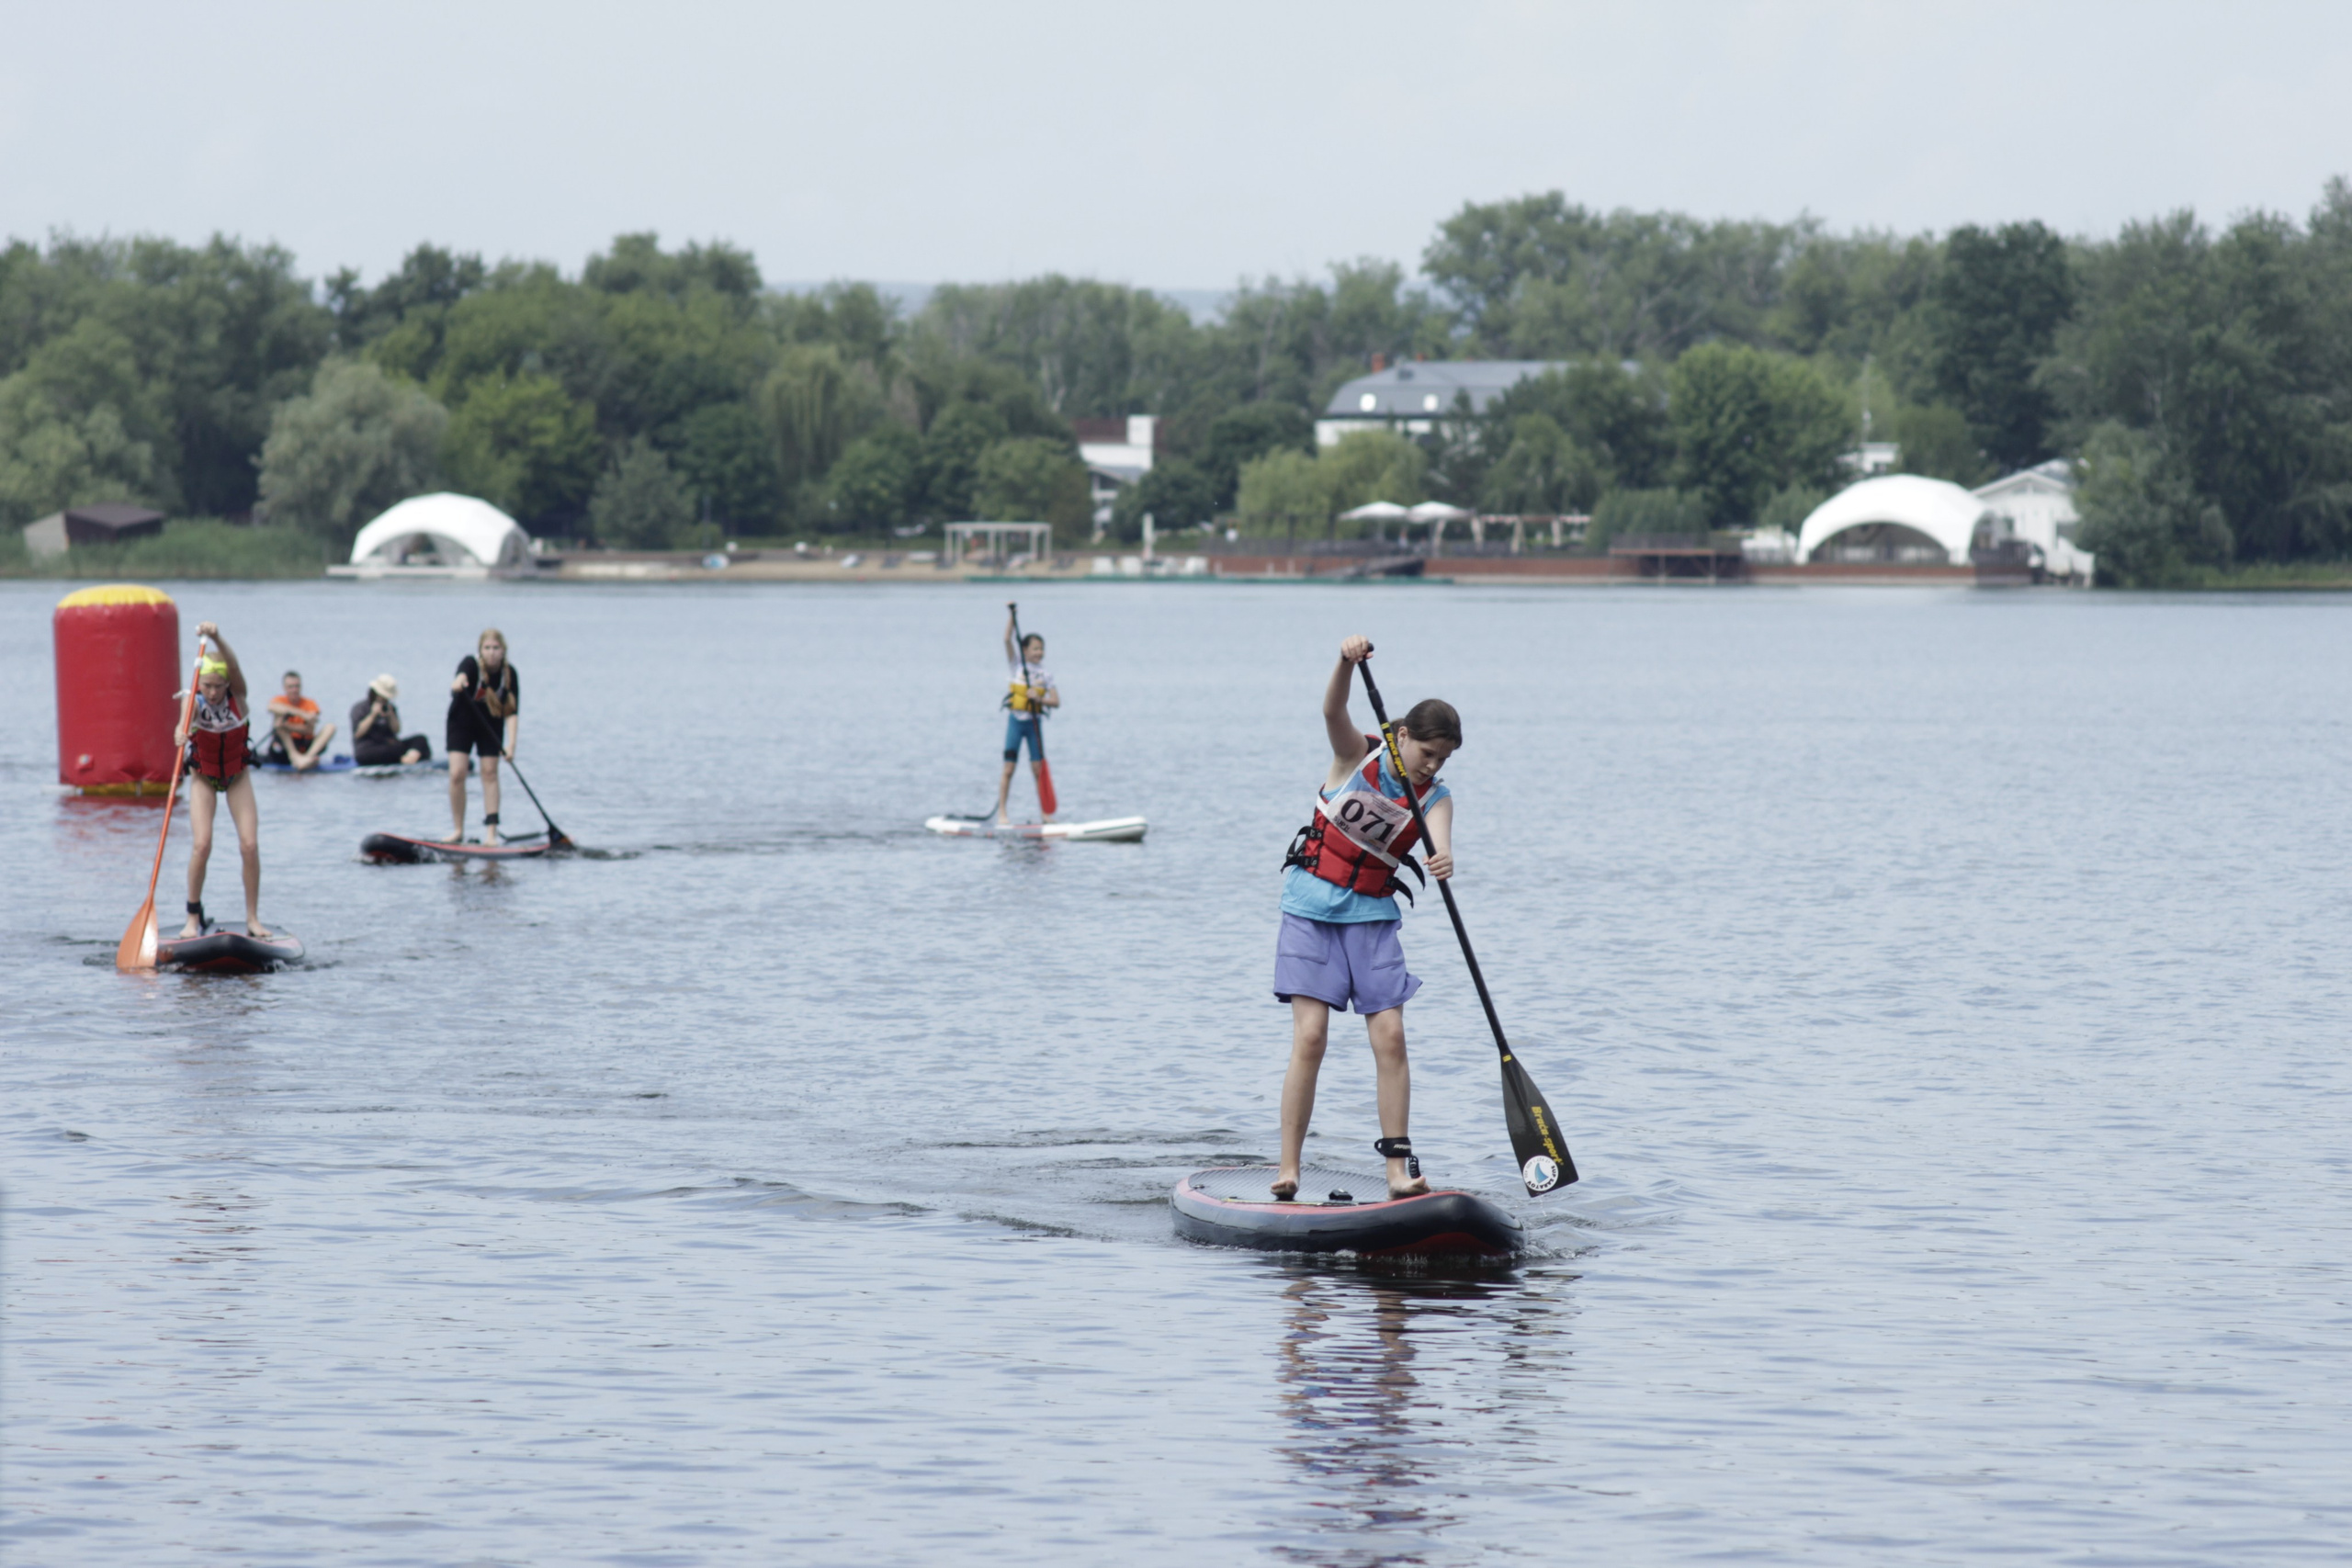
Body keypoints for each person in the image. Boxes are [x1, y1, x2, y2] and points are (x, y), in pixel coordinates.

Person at [1271, 635, 1458, 1201]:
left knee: (1393, 1036)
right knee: (1311, 1038)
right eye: (1428, 753)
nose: (1433, 766)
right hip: (1309, 911)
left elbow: (1441, 837)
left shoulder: (1435, 797)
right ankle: (1288, 1167)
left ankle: (1397, 1170)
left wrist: (1443, 856)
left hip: (1372, 920)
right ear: (1402, 738)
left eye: (1443, 759)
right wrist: (1343, 663)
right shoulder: (1358, 756)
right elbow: (1332, 709)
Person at [173, 623, 272, 939]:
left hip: (237, 776)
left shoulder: (237, 696)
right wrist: (179, 731)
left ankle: (253, 919)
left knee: (249, 845)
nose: (212, 693)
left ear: (227, 683)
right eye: (207, 686)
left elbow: (235, 666)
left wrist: (215, 638)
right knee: (202, 845)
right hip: (203, 778)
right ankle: (192, 917)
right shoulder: (193, 699)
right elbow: (182, 724)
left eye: (218, 686)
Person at [447, 628, 520, 843]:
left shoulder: (509, 674)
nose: (491, 653)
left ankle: (491, 833)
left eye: (496, 648)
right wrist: (458, 682)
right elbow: (459, 676)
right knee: (457, 773)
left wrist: (511, 746)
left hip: (490, 723)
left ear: (503, 650)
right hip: (461, 722)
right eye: (487, 648)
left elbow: (512, 713)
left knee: (489, 773)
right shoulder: (471, 664)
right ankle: (458, 830)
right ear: (480, 650)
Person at [991, 607, 1058, 825]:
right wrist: (1012, 616)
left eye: (1042, 649)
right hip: (1016, 724)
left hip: (1034, 726)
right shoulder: (1016, 666)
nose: (1039, 653)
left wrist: (1040, 700)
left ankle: (1045, 815)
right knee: (1009, 769)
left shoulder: (1045, 675)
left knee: (1037, 769)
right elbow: (1006, 639)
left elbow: (1056, 702)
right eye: (1035, 649)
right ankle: (1002, 813)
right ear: (1025, 650)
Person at [350, 674, 432, 767]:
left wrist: (391, 715)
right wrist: (372, 715)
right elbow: (358, 733)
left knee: (420, 739)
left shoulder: (390, 708)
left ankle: (410, 758)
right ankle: (402, 759)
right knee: (390, 750)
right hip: (369, 749)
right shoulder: (360, 708)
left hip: (390, 745)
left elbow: (396, 730)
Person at [264, 670, 337, 771]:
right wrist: (301, 714)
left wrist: (287, 725)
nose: (294, 690)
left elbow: (309, 730)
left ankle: (306, 758)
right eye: (291, 687)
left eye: (297, 686)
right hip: (286, 746)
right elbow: (271, 707)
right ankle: (295, 757)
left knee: (331, 727)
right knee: (278, 722)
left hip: (305, 744)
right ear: (284, 688)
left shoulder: (310, 703)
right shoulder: (279, 700)